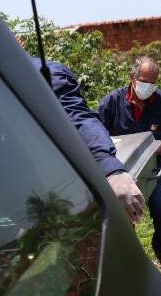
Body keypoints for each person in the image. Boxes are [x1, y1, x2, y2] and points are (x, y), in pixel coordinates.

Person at [28, 57, 145, 224]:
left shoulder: (39, 72)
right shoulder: (112, 99)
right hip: (37, 201)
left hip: (70, 189)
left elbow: (79, 118)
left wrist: (110, 169)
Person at [97, 56, 161, 276]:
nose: (148, 88)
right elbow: (96, 139)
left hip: (152, 170)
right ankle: (131, 264)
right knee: (123, 220)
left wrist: (150, 152)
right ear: (132, 77)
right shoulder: (111, 103)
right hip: (119, 172)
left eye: (153, 83)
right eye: (144, 81)